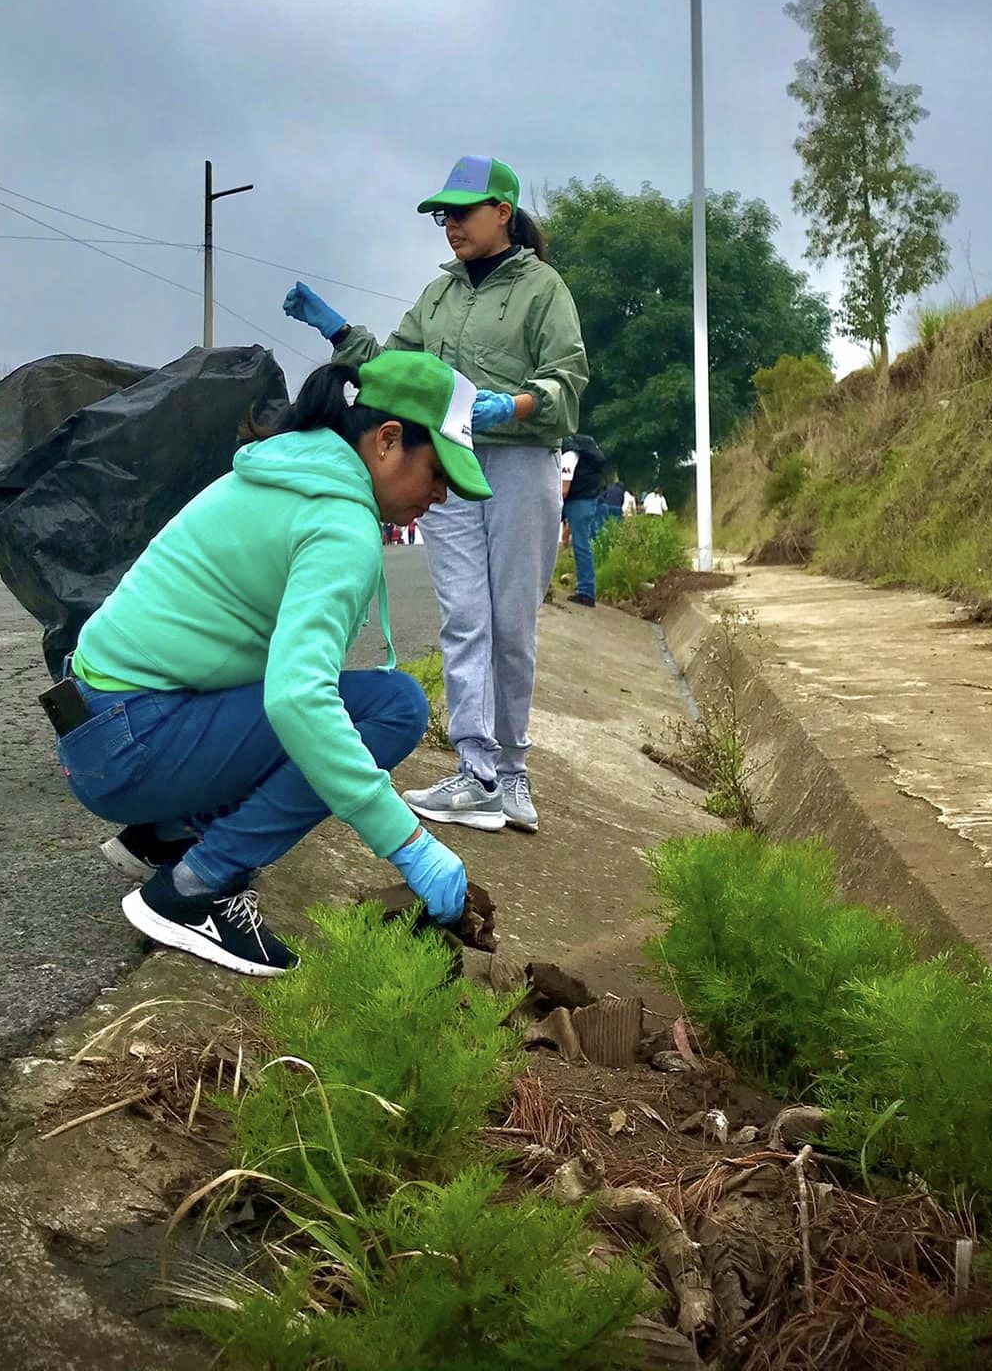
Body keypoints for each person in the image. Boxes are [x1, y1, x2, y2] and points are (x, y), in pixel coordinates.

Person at [55, 352, 484, 976]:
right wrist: (410, 845)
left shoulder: (291, 468)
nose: (441, 497)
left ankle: (167, 832)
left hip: (97, 725)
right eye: (439, 472)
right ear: (389, 441)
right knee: (392, 708)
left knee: (325, 696)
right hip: (131, 746)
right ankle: (194, 887)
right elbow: (299, 700)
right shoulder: (339, 522)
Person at [284, 155, 588, 837]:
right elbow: (398, 369)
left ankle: (512, 775)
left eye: (461, 212)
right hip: (447, 466)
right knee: (464, 617)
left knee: (513, 620)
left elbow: (566, 384)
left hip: (518, 464)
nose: (448, 225)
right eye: (441, 215)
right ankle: (476, 771)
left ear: (502, 213)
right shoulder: (438, 295)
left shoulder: (543, 289)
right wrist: (340, 334)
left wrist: (506, 408)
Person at [560, 432, 607, 608]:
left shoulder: (568, 453)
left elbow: (564, 489)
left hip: (578, 500)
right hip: (585, 499)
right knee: (581, 544)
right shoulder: (575, 448)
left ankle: (586, 592)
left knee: (580, 545)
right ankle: (585, 590)